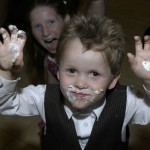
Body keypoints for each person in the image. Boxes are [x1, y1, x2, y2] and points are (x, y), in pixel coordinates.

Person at [2, 15, 150, 150]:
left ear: (113, 79)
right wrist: (8, 72)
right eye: (72, 71)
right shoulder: (43, 98)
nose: (80, 83)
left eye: (94, 74)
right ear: (58, 71)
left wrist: (148, 80)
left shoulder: (127, 102)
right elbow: (6, 103)